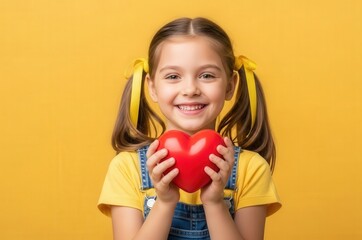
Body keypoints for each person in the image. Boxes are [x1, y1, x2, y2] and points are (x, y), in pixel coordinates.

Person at [98, 17, 281, 240]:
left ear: (230, 86)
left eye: (207, 75)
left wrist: (214, 203)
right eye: (173, 76)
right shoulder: (127, 169)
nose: (190, 89)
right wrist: (164, 203)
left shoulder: (250, 169)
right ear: (153, 88)